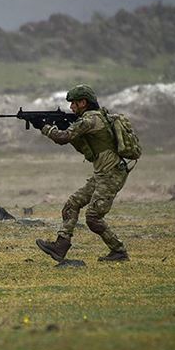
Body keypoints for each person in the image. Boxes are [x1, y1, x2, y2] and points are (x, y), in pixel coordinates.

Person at [34, 84, 131, 263]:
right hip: (103, 174)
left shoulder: (90, 120)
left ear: (83, 102)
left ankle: (119, 251)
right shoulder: (92, 117)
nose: (71, 108)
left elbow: (62, 138)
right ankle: (60, 247)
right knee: (72, 205)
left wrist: (43, 127)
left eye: (74, 104)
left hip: (111, 174)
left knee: (93, 218)